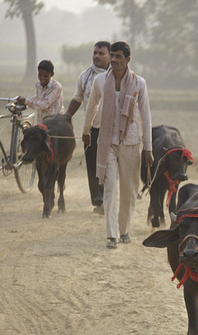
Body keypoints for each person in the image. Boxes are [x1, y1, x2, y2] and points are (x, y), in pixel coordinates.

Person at [82, 41, 153, 249]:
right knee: (110, 188)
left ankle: (124, 231)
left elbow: (146, 116)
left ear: (127, 59)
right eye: (111, 56)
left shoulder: (139, 83)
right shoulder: (100, 81)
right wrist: (86, 132)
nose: (113, 60)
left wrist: (148, 148)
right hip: (107, 142)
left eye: (118, 56)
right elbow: (92, 107)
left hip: (131, 142)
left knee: (129, 191)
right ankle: (111, 235)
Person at [66, 41, 111, 214]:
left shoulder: (116, 76)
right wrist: (67, 117)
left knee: (108, 165)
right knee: (93, 165)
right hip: (91, 129)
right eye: (95, 53)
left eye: (101, 53)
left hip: (111, 129)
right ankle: (98, 201)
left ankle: (108, 198)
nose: (97, 56)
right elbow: (77, 99)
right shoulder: (84, 76)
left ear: (110, 55)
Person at [17, 60, 64, 124]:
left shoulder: (56, 86)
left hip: (54, 123)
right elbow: (38, 98)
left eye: (46, 76)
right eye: (40, 75)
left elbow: (45, 104)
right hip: (41, 121)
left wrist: (26, 101)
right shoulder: (38, 85)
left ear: (52, 74)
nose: (42, 78)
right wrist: (24, 100)